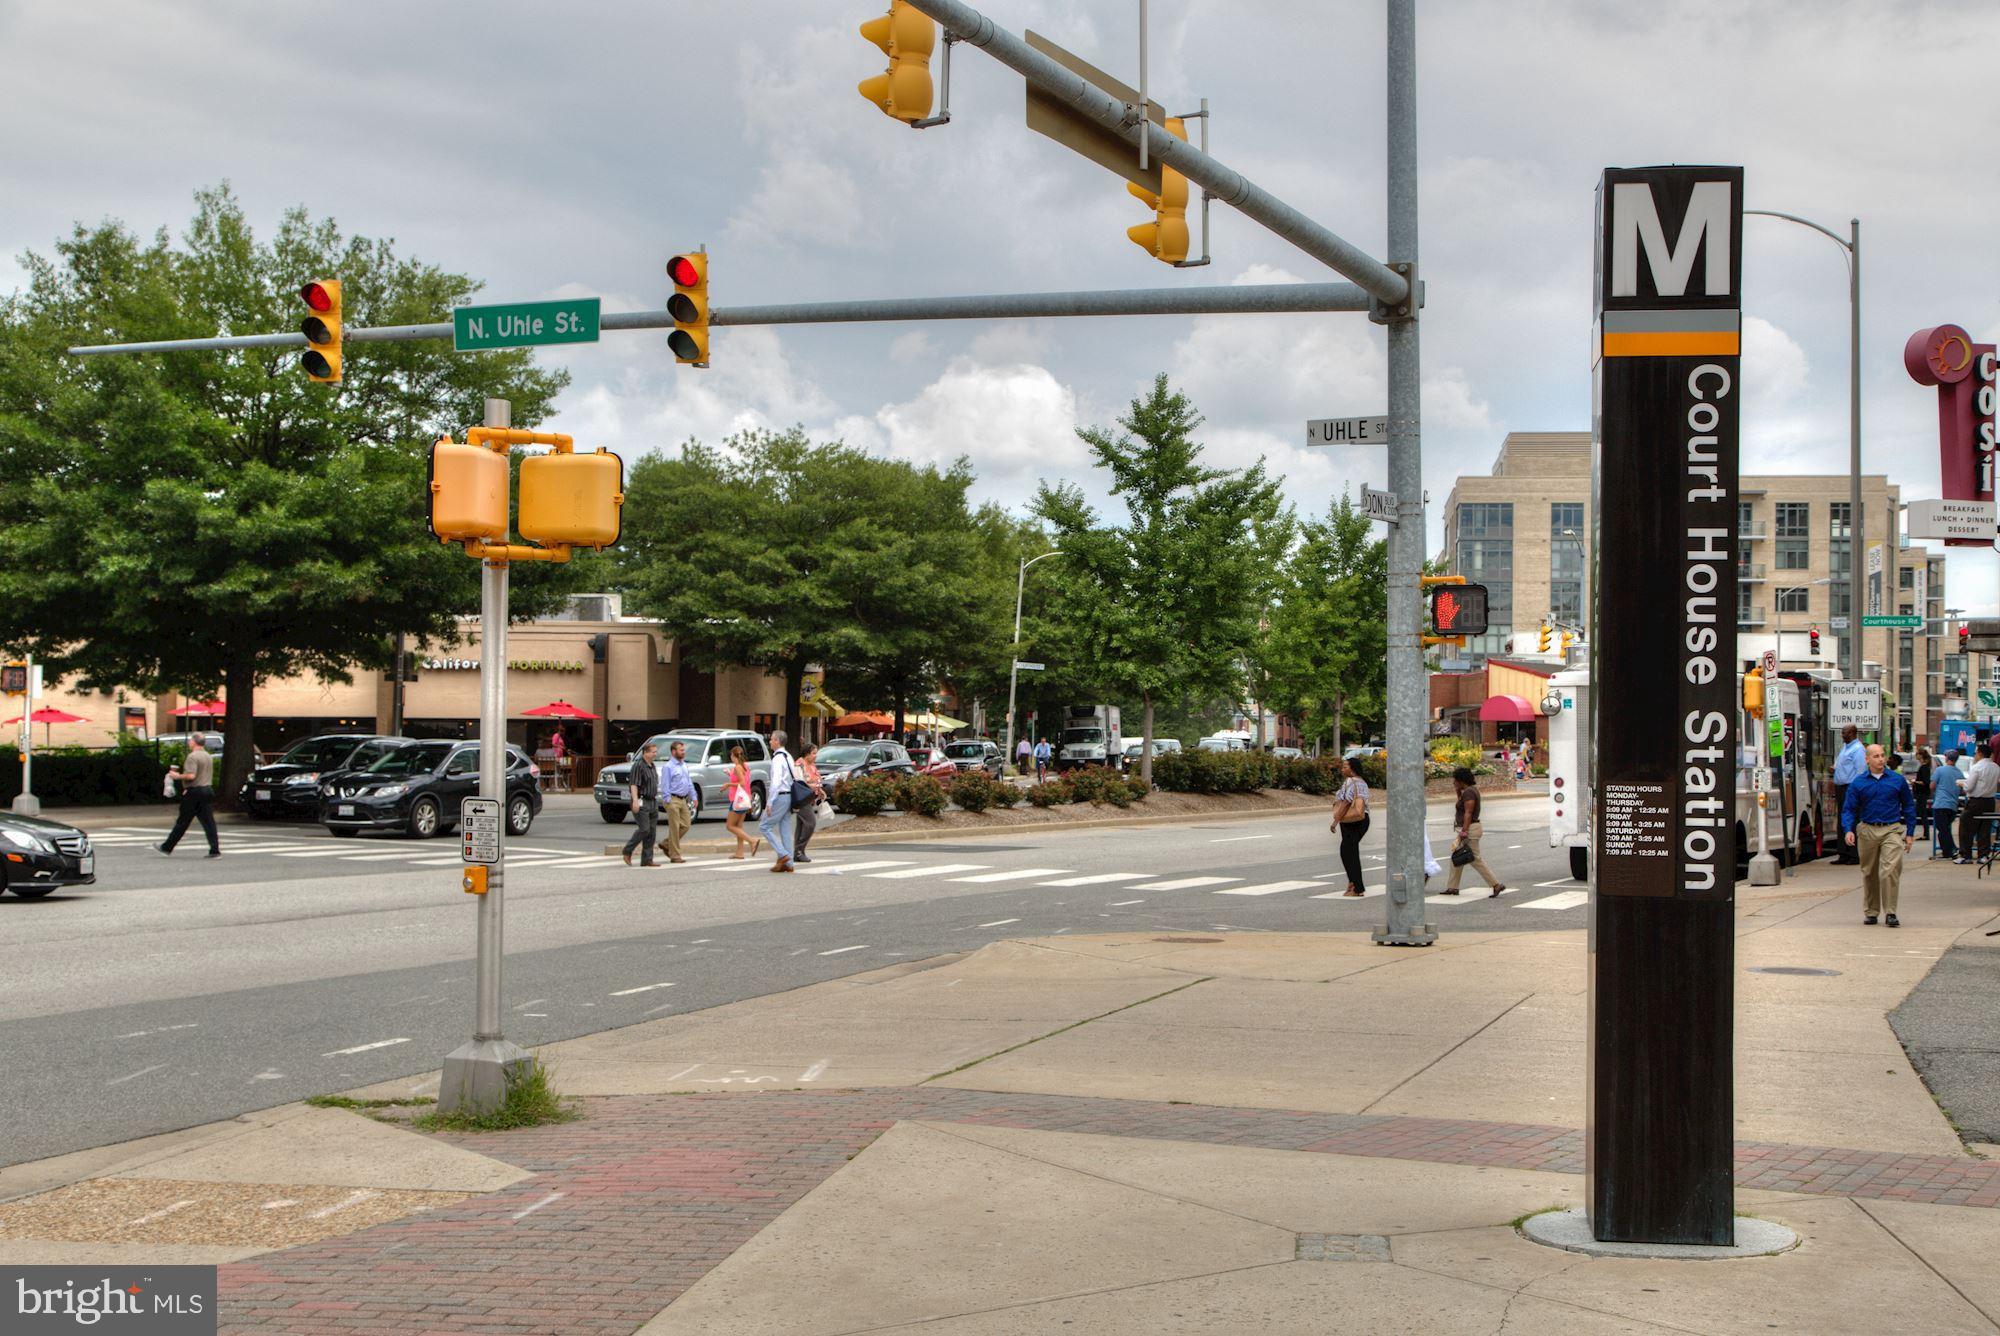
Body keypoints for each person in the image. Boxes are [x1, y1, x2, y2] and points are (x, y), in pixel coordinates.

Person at [1842, 743, 1915, 927]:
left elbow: (1908, 806)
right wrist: (1848, 829)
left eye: (1883, 755)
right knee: (1869, 872)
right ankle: (1871, 912)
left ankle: (1890, 912)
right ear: (1867, 759)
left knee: (1890, 870)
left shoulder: (1897, 780)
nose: (1881, 759)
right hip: (1867, 829)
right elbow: (1849, 809)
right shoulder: (1858, 783)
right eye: (1876, 756)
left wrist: (1910, 833)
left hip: (1891, 829)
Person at [1444, 766, 1508, 897]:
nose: (1453, 782)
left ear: (1461, 780)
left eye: (1455, 780)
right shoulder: (1468, 791)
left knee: (1474, 859)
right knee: (1457, 857)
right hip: (1468, 828)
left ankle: (1496, 884)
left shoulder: (1469, 793)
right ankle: (1452, 887)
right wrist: (1458, 792)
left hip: (1470, 829)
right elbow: (1461, 807)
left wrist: (1464, 831)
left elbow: (1468, 813)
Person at [157, 734, 221, 858]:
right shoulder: (208, 756)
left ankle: (167, 847)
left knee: (182, 822)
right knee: (209, 822)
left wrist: (177, 776)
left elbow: (191, 776)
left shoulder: (192, 757)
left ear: (194, 742)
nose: (189, 742)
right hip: (207, 790)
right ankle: (215, 850)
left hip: (195, 792)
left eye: (190, 740)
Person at [1331, 757, 1370, 897]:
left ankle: (1356, 887)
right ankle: (1354, 885)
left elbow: (1346, 802)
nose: (1342, 769)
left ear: (1352, 769)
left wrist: (1336, 820)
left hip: (1351, 822)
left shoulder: (1350, 781)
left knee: (1347, 853)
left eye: (1345, 767)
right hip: (1363, 820)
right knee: (1350, 852)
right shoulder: (1362, 782)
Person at [760, 729, 797, 873]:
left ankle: (783, 854)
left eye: (771, 739)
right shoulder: (788, 756)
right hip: (789, 795)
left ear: (777, 741)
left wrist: (769, 802)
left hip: (780, 796)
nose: (770, 741)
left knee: (764, 826)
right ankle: (789, 864)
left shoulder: (777, 759)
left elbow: (776, 783)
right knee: (785, 829)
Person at [621, 741, 661, 867]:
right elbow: (634, 784)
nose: (655, 754)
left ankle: (647, 859)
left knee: (652, 832)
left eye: (656, 752)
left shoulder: (652, 766)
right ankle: (627, 851)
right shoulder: (639, 766)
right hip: (641, 800)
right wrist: (635, 801)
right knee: (644, 829)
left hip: (652, 801)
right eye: (653, 752)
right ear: (646, 753)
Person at [1831, 725, 1866, 864]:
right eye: (1842, 733)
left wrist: (1856, 790)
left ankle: (1853, 854)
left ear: (1852, 733)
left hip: (1850, 788)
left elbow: (1860, 771)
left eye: (1844, 733)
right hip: (1841, 788)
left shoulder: (1858, 749)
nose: (1842, 735)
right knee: (1842, 819)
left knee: (1852, 819)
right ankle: (1843, 853)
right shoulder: (1846, 748)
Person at [657, 739, 696, 864]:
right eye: (681, 750)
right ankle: (675, 855)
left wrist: (694, 796)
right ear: (674, 752)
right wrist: (668, 800)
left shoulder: (684, 765)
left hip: (683, 799)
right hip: (672, 799)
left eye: (684, 750)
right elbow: (665, 785)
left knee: (686, 825)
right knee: (674, 828)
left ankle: (666, 843)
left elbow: (689, 782)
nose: (683, 752)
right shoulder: (668, 767)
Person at [1964, 742, 2000, 866]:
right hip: (1990, 801)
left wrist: (1962, 784)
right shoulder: (1996, 767)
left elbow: (1969, 787)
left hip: (1976, 801)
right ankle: (1983, 855)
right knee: (1985, 829)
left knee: (1966, 827)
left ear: (1979, 753)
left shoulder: (1976, 767)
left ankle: (1966, 855)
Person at [792, 742, 827, 863]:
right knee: (810, 823)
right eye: (813, 753)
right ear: (806, 754)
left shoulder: (812, 765)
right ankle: (799, 850)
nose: (815, 756)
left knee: (801, 825)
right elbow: (798, 783)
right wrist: (812, 787)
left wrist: (820, 790)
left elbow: (816, 780)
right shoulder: (799, 765)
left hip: (810, 798)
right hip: (802, 799)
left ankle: (798, 852)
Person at [723, 745, 757, 860]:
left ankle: (752, 841)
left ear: (733, 756)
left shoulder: (737, 767)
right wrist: (730, 774)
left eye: (731, 755)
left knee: (730, 826)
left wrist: (728, 784)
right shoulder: (745, 766)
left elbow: (742, 783)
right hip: (745, 798)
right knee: (739, 826)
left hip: (738, 799)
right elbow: (744, 780)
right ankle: (740, 852)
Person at [1930, 749, 1962, 862]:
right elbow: (1962, 788)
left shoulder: (1940, 770)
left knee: (1943, 830)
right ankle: (1947, 851)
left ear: (1946, 758)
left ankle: (1952, 851)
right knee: (1944, 829)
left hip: (1941, 804)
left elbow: (1932, 786)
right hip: (1953, 805)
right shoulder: (1959, 773)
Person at [1913, 747, 1933, 841]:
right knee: (1921, 813)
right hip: (1922, 793)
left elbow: (1925, 782)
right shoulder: (1925, 767)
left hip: (1922, 793)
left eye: (1917, 754)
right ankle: (1925, 833)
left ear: (1921, 756)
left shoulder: (1924, 768)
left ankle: (1926, 834)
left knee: (1922, 813)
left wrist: (1915, 782)